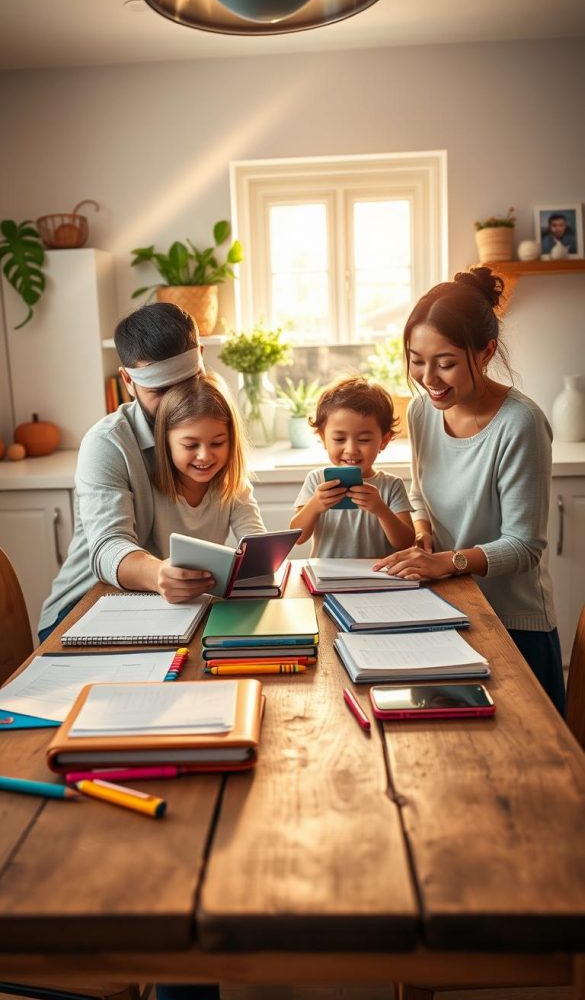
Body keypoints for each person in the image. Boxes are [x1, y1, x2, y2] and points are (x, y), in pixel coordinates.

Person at [373, 266, 565, 714]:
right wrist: (423, 533)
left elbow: (524, 546)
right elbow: (421, 493)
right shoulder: (423, 412)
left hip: (515, 625)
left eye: (445, 362)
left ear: (485, 352)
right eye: (416, 360)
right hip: (446, 609)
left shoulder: (520, 424)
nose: (428, 377)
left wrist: (446, 561)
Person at [39, 302, 222, 641]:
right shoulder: (106, 443)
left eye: (188, 381)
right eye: (160, 391)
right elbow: (109, 547)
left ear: (200, 354)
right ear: (127, 380)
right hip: (84, 609)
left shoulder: (213, 431)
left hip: (176, 610)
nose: (177, 403)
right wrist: (158, 574)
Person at [291, 376, 414, 557]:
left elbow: (406, 543)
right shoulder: (317, 480)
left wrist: (380, 509)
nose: (351, 450)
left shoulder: (391, 485)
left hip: (378, 578)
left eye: (364, 440)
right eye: (339, 439)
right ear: (323, 438)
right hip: (326, 579)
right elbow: (297, 538)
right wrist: (315, 504)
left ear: (384, 440)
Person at [152, 371, 265, 563]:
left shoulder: (234, 486)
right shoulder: (148, 487)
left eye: (217, 443)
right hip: (152, 589)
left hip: (208, 587)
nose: (204, 456)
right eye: (190, 445)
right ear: (166, 442)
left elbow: (256, 543)